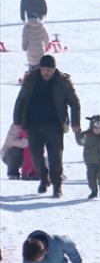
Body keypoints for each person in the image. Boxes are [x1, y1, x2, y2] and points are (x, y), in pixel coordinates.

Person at [12, 54, 81, 197]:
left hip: (55, 126)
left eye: (49, 70)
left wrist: (75, 123)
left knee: (55, 157)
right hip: (34, 125)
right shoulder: (31, 79)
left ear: (54, 69)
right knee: (36, 155)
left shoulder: (63, 81)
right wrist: (17, 122)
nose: (46, 72)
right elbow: (21, 100)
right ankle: (44, 178)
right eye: (43, 69)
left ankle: (57, 186)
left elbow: (74, 102)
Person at [81, 114, 100, 199]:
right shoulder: (87, 135)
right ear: (91, 127)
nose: (98, 130)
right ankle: (94, 191)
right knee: (91, 177)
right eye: (96, 128)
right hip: (90, 160)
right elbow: (80, 141)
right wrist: (78, 133)